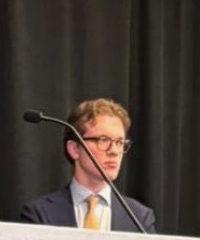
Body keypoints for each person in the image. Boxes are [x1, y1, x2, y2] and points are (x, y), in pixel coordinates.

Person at [19, 98, 156, 232]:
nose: (114, 151)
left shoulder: (140, 218)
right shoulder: (39, 214)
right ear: (74, 149)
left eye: (119, 142)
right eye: (103, 140)